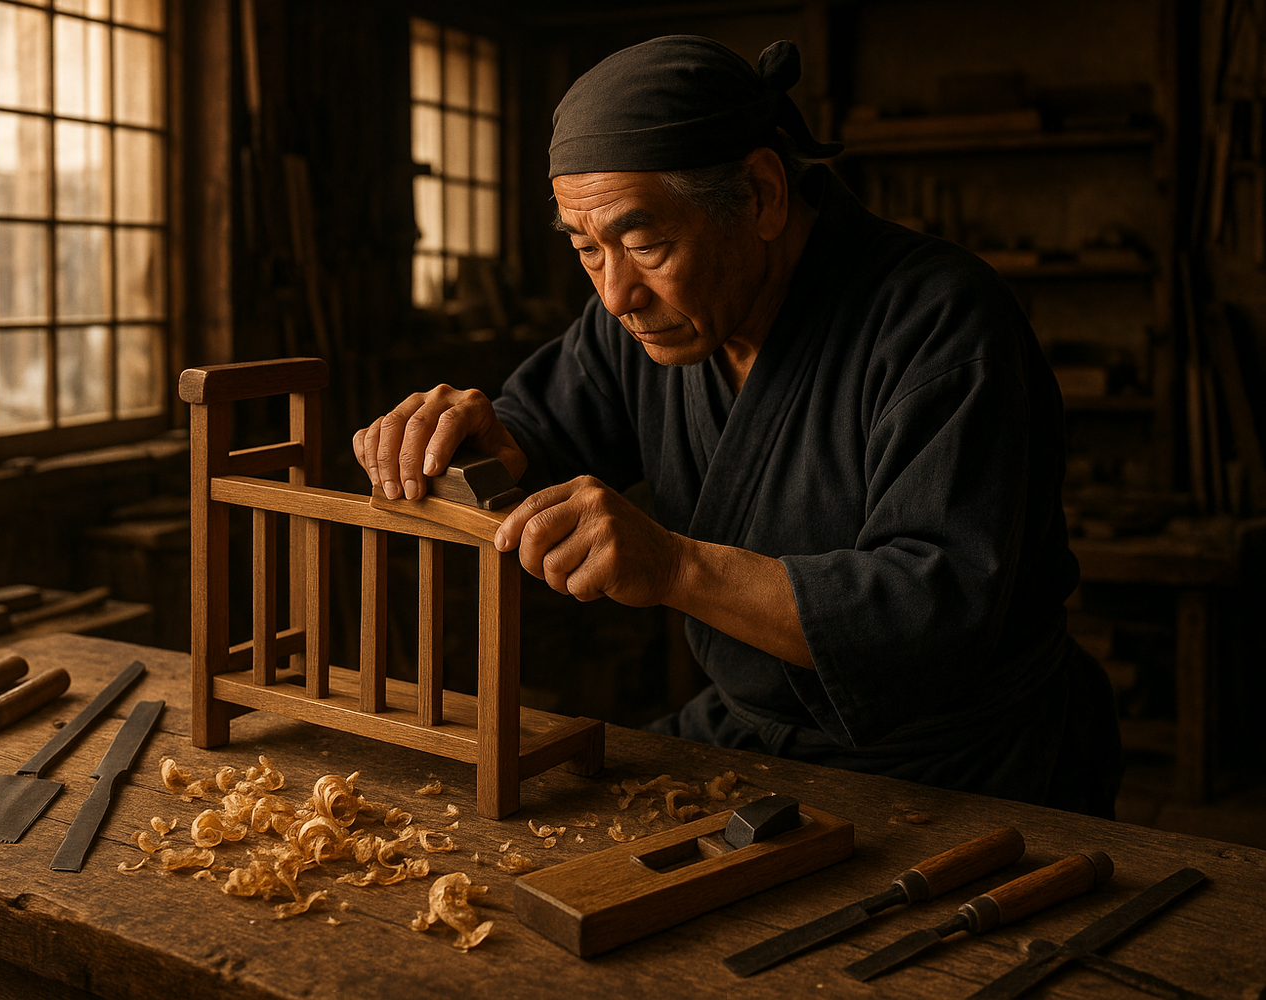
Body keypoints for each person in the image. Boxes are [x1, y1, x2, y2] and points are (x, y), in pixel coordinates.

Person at [354, 35, 1124, 816]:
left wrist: (677, 568)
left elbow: (933, 608)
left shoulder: (940, 323)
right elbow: (538, 427)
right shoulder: (640, 317)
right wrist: (479, 438)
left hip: (962, 761)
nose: (617, 294)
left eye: (646, 243)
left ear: (759, 195)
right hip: (750, 733)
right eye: (588, 250)